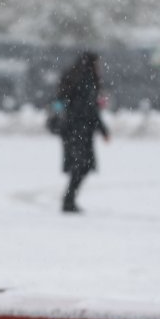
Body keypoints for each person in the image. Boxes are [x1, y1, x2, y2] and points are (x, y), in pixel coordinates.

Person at [55, 50, 109, 213]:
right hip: (80, 130)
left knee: (78, 166)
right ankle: (68, 200)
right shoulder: (87, 81)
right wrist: (103, 129)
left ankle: (69, 199)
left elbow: (61, 101)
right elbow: (90, 109)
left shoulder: (73, 78)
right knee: (81, 166)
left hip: (71, 130)